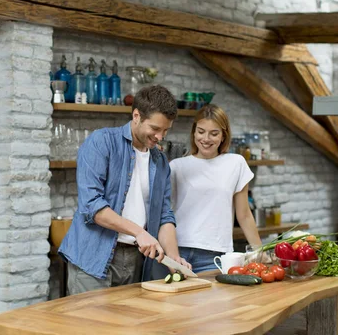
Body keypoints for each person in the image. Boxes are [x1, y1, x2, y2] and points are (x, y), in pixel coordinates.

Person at [59, 85, 191, 295]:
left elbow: (165, 215)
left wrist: (174, 259)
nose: (160, 136)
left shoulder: (161, 162)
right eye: (155, 128)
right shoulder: (101, 142)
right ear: (136, 115)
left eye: (166, 130)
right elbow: (92, 206)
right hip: (94, 256)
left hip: (135, 260)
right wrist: (139, 232)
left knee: (131, 326)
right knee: (92, 327)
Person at [169, 104, 262, 273]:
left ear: (223, 136)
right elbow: (165, 212)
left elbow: (244, 214)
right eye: (201, 131)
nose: (206, 138)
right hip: (178, 252)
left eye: (214, 133)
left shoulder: (236, 163)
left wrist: (260, 252)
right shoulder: (176, 166)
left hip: (216, 256)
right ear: (194, 132)